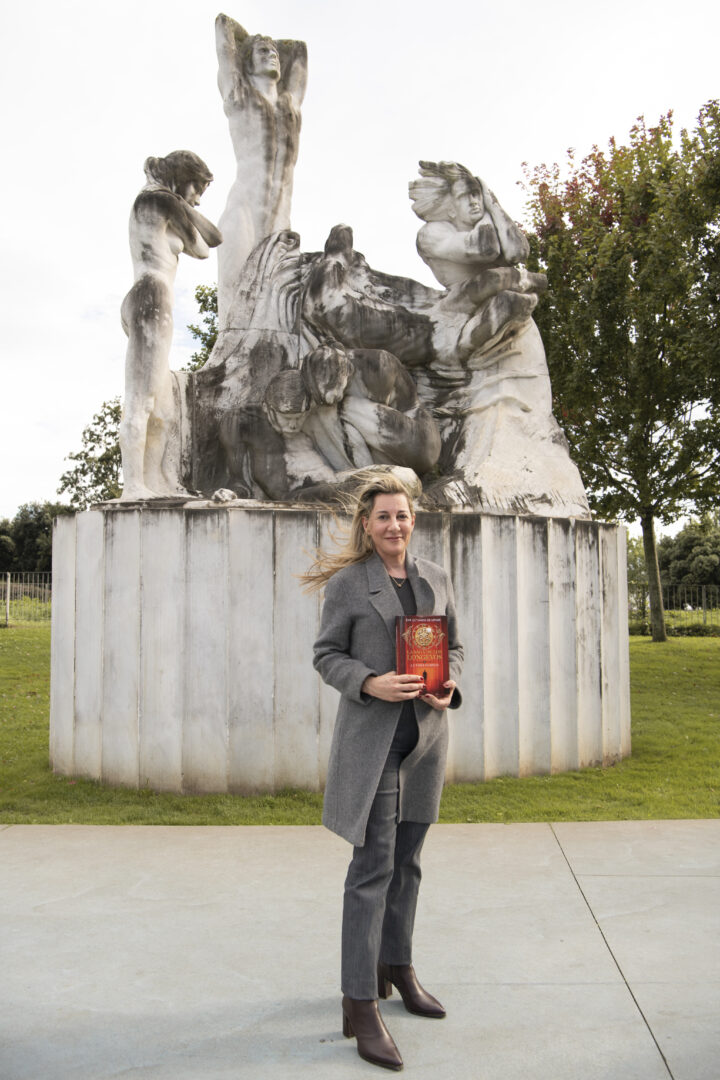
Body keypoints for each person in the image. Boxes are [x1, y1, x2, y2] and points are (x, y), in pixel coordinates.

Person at [303, 473, 463, 1071]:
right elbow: (325, 655)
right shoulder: (349, 585)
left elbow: (457, 648)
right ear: (366, 526)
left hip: (425, 742)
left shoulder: (436, 577)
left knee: (409, 863)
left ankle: (398, 965)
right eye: (382, 517)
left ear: (413, 520)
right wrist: (369, 681)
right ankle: (359, 1002)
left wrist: (449, 683)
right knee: (372, 867)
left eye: (402, 515)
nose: (393, 525)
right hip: (374, 744)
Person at [120, 151, 222, 500]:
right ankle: (133, 484)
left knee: (162, 410)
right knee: (141, 400)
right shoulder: (156, 199)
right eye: (197, 190)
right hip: (150, 297)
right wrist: (182, 202)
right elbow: (206, 243)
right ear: (183, 178)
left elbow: (211, 243)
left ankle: (155, 481)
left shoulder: (164, 201)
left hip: (155, 299)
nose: (196, 199)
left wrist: (185, 203)